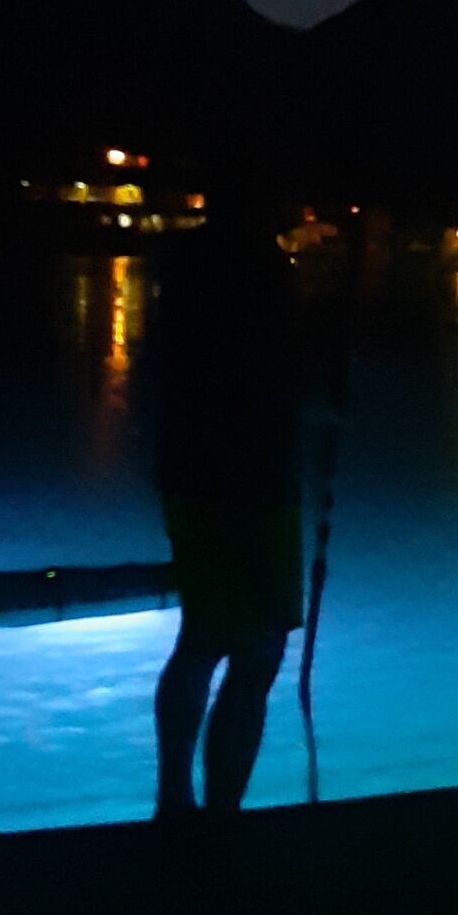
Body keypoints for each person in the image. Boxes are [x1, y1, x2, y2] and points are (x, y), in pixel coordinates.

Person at [149, 162, 303, 820]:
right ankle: (220, 815)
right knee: (257, 649)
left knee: (203, 638)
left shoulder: (184, 270)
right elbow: (265, 382)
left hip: (188, 473)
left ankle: (177, 797)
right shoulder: (262, 276)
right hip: (253, 480)